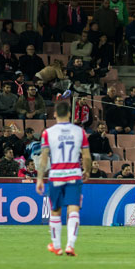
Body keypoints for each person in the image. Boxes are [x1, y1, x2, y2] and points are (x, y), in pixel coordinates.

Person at [36, 101, 91, 256]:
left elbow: (44, 157)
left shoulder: (48, 132)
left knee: (55, 210)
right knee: (73, 208)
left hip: (56, 175)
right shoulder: (80, 132)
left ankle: (57, 246)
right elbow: (86, 156)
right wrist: (86, 170)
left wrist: (40, 178)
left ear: (54, 114)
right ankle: (70, 245)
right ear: (69, 114)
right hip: (74, 173)